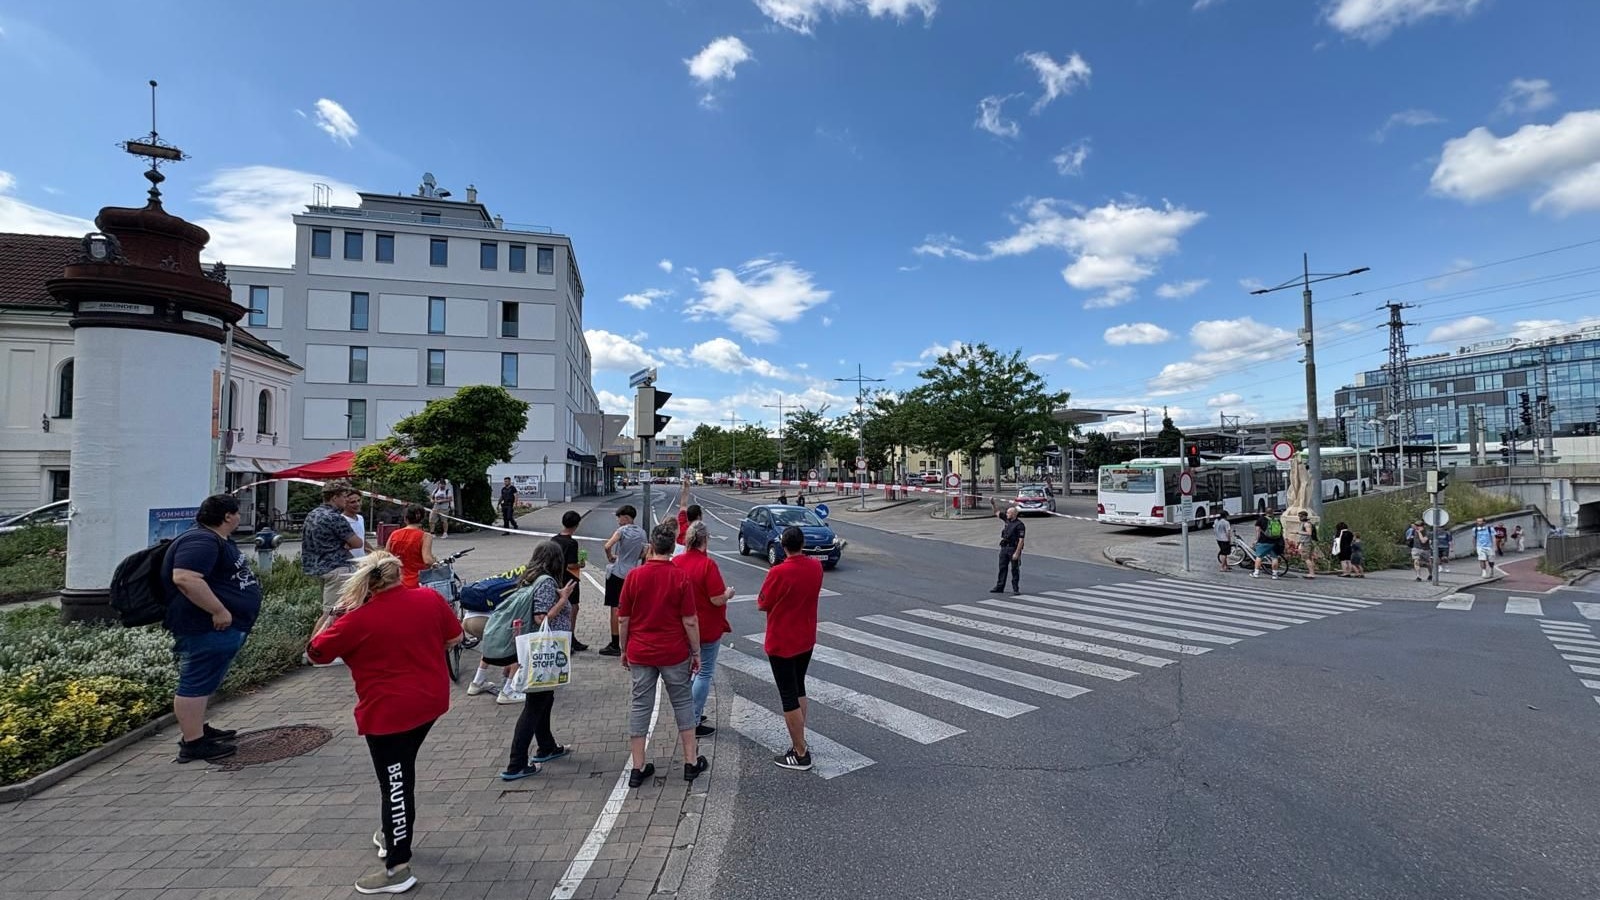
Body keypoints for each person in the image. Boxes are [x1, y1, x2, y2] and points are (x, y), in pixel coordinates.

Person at [306, 552, 463, 896]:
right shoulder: (430, 598)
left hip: (388, 714)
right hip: (429, 702)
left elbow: (316, 653)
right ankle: (391, 832)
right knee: (402, 773)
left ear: (365, 583)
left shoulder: (355, 620)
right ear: (399, 573)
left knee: (395, 785)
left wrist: (333, 613)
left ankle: (398, 867)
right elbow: (454, 637)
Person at [164, 494, 260, 763]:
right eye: (237, 513)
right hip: (205, 626)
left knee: (205, 680)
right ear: (227, 516)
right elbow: (185, 578)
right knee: (196, 680)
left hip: (219, 626)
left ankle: (197, 729)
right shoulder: (201, 540)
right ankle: (193, 743)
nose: (239, 517)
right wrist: (218, 610)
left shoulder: (213, 539)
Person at [618, 522, 706, 786]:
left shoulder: (634, 576)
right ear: (671, 549)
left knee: (640, 704)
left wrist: (623, 649)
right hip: (673, 652)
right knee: (683, 703)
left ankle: (638, 767)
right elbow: (690, 620)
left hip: (640, 650)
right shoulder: (680, 577)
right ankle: (690, 762)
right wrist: (696, 652)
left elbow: (623, 618)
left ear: (651, 547)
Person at [496, 542, 578, 780]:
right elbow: (542, 617)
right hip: (542, 650)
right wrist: (563, 599)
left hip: (537, 650)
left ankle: (547, 746)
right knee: (534, 704)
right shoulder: (545, 582)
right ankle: (516, 763)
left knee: (544, 699)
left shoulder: (529, 579)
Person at [758, 526, 823, 772]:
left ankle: (800, 752)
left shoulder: (778, 572)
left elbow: (762, 603)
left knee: (788, 695)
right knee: (799, 688)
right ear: (802, 544)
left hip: (782, 641)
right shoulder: (816, 567)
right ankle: (800, 739)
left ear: (783, 547)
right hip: (805, 638)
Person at [675, 521, 735, 737]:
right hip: (706, 627)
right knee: (704, 673)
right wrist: (728, 593)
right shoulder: (707, 565)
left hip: (682, 627)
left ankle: (689, 713)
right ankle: (693, 719)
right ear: (705, 540)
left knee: (689, 673)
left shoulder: (676, 562)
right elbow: (716, 599)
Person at [302, 480, 364, 643]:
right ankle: (312, 648)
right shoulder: (335, 518)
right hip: (337, 568)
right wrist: (344, 544)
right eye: (344, 496)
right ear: (334, 497)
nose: (346, 499)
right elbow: (357, 543)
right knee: (331, 614)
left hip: (319, 568)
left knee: (333, 611)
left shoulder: (312, 514)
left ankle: (331, 646)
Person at [599, 505, 648, 656]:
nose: (618, 521)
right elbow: (645, 552)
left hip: (617, 573)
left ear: (626, 518)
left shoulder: (622, 531)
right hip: (632, 573)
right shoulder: (642, 533)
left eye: (619, 518)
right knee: (631, 607)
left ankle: (615, 644)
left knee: (615, 607)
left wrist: (611, 557)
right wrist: (635, 558)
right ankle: (631, 639)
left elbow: (607, 545)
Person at [550, 510, 589, 653]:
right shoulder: (572, 543)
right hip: (570, 579)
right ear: (576, 525)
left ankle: (560, 636)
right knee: (573, 607)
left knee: (558, 607)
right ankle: (570, 637)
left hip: (556, 577)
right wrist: (581, 564)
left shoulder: (554, 539)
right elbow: (571, 564)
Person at [384, 505, 436, 589]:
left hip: (397, 581)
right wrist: (435, 562)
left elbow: (385, 556)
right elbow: (427, 560)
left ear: (405, 519)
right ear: (422, 519)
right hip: (417, 581)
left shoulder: (394, 534)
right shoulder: (425, 536)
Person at [989, 502, 1025, 594]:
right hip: (1004, 548)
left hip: (1013, 548)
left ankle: (1015, 588)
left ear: (1013, 514)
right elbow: (996, 512)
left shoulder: (1020, 525)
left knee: (1014, 569)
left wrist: (1017, 553)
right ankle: (1000, 587)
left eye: (1008, 513)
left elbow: (1021, 540)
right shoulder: (1007, 520)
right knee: (1002, 568)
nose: (1006, 514)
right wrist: (993, 503)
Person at [342, 489, 375, 560]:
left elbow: (363, 541)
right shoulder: (340, 521)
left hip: (361, 562)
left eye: (359, 500)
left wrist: (377, 554)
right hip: (347, 563)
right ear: (344, 503)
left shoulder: (360, 518)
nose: (357, 504)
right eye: (352, 502)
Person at [674, 479, 703, 557]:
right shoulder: (700, 531)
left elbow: (683, 505)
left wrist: (686, 489)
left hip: (678, 556)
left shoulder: (682, 523)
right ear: (699, 517)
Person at [1252, 512, 1281, 580]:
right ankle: (1275, 575)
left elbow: (1258, 531)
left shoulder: (1261, 519)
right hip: (1274, 542)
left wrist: (1256, 540)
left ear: (1265, 513)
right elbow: (1280, 531)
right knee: (1274, 558)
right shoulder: (1277, 520)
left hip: (1263, 541)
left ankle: (1256, 573)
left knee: (1259, 557)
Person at [1292, 511, 1318, 579]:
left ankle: (1311, 574)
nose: (1300, 518)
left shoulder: (1306, 524)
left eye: (1301, 516)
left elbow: (1309, 533)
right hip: (1307, 542)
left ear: (1305, 516)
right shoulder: (1305, 523)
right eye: (1299, 516)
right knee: (1309, 558)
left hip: (1306, 543)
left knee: (1306, 558)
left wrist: (1298, 532)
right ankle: (1311, 572)